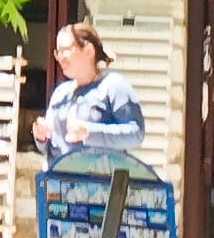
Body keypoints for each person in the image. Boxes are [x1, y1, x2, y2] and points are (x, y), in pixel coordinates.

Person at [35, 21, 145, 161]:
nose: (60, 58)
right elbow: (50, 149)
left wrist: (89, 132)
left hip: (103, 180)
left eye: (66, 50)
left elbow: (136, 134)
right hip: (60, 180)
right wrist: (41, 136)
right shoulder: (60, 94)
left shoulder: (113, 85)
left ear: (89, 51)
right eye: (58, 52)